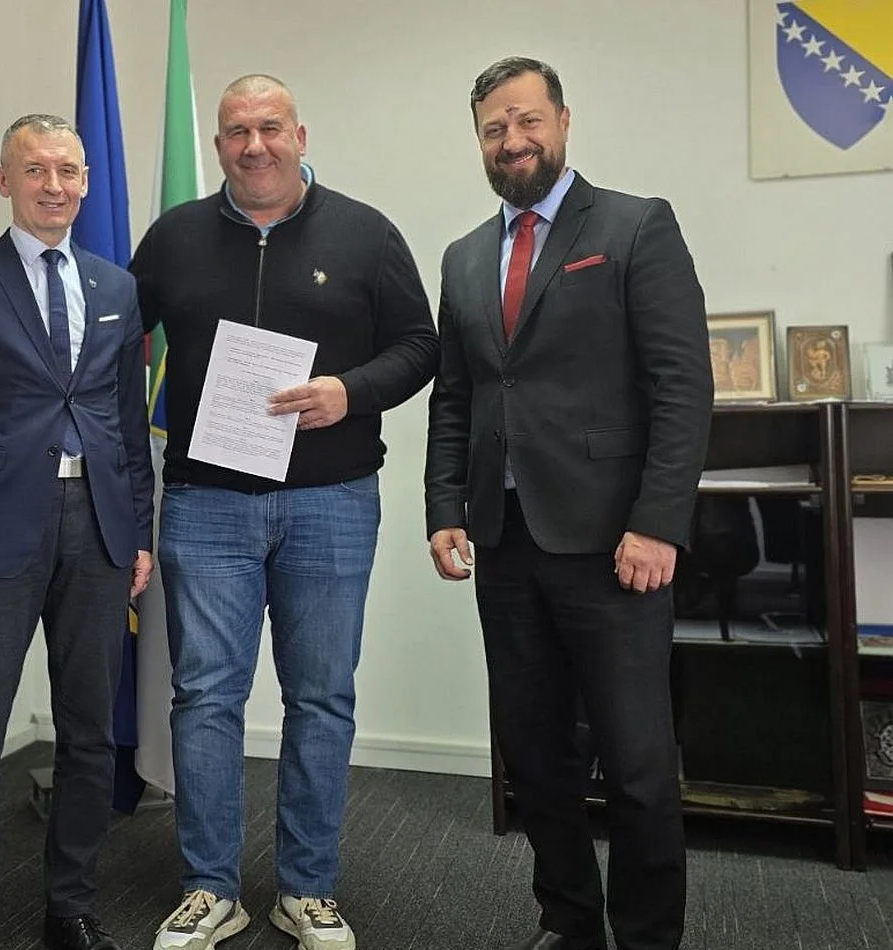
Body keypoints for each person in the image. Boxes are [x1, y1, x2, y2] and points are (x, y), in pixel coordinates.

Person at [132, 74, 439, 950]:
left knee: (320, 698)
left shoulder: (366, 233)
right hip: (204, 504)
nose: (254, 145)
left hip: (330, 502)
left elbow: (420, 346)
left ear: (300, 136)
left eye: (270, 127)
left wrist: (351, 391)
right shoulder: (174, 237)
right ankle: (209, 889)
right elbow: (117, 344)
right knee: (204, 698)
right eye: (236, 131)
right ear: (218, 145)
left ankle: (307, 890)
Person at [425, 57, 713, 950]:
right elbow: (455, 395)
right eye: (493, 128)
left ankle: (647, 936)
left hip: (612, 544)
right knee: (535, 757)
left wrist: (657, 522)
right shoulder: (463, 257)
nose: (511, 140)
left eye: (526, 120)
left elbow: (681, 387)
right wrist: (443, 506)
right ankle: (569, 922)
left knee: (635, 763)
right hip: (504, 542)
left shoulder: (633, 225)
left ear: (561, 121)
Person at [0, 114, 154, 950]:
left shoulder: (115, 287)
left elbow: (126, 425)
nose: (55, 185)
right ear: (3, 180)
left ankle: (69, 908)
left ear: (86, 181)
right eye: (36, 169)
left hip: (99, 531)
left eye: (68, 170)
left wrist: (138, 533)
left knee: (90, 732)